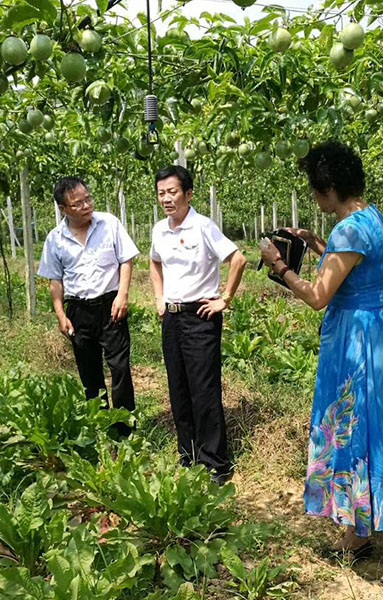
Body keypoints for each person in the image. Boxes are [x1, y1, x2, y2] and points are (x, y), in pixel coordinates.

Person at [259, 142, 383, 597]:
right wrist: (318, 245)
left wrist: (279, 268)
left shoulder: (348, 231)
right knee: (371, 428)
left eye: (317, 191)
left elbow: (318, 296)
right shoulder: (370, 218)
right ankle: (357, 534)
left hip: (355, 347)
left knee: (363, 435)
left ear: (330, 188)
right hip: (376, 338)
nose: (315, 199)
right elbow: (356, 272)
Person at [149, 165, 248, 485]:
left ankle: (215, 464)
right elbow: (154, 262)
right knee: (178, 388)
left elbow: (238, 259)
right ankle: (188, 455)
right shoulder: (159, 230)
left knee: (203, 391)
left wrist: (225, 299)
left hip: (201, 316)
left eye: (172, 192)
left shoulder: (203, 226)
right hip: (172, 317)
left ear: (188, 194)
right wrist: (158, 297)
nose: (166, 198)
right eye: (161, 192)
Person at [38, 176, 139, 436]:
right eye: (77, 203)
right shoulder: (55, 239)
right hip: (78, 310)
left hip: (110, 305)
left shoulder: (109, 224)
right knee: (89, 371)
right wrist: (61, 314)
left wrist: (123, 294)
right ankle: (101, 424)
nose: (86, 206)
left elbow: (126, 260)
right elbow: (55, 281)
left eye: (88, 199)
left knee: (119, 367)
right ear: (63, 209)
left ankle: (126, 426)